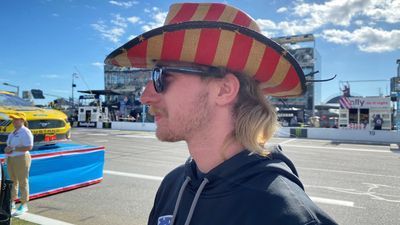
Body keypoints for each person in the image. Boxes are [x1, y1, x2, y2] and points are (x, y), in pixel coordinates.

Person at [105, 2, 337, 225]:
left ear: (224, 90)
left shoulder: (289, 217)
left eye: (161, 76)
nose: (145, 96)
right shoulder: (172, 185)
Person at [4, 112, 33, 216]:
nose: (14, 121)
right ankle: (12, 202)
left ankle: (24, 205)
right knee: (12, 181)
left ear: (22, 120)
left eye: (16, 119)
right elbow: (9, 146)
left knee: (22, 181)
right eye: (13, 119)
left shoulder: (25, 132)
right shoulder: (13, 132)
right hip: (11, 158)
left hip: (21, 158)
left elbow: (29, 147)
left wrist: (13, 148)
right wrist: (7, 152)